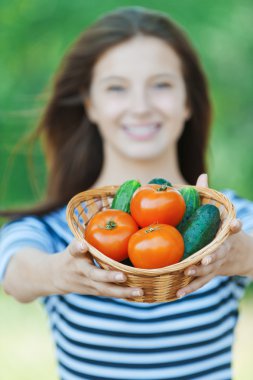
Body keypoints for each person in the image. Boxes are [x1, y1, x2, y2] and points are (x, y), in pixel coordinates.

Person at [1, 6, 253, 380]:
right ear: (91, 104)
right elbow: (15, 272)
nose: (140, 106)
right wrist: (60, 272)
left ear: (187, 102)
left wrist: (238, 253)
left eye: (162, 85)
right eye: (116, 87)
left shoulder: (228, 219)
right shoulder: (58, 230)